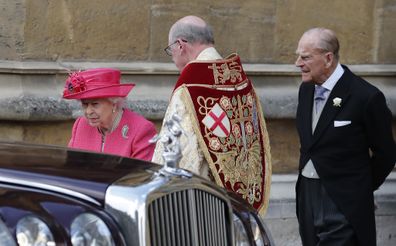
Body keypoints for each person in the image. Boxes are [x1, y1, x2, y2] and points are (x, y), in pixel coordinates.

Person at [152, 15, 272, 216]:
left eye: (170, 50)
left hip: (206, 205)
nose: (172, 58)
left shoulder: (190, 86)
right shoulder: (241, 80)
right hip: (242, 201)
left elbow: (178, 151)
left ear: (180, 45)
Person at [295, 27, 396, 245]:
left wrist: (358, 189)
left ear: (328, 58)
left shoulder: (365, 96)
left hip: (343, 203)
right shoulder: (306, 90)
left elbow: (386, 153)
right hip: (308, 196)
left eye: (305, 57)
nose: (298, 63)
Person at [63, 68, 157, 161]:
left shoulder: (141, 130)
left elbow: (140, 174)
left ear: (114, 103)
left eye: (95, 104)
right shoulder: (80, 125)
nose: (88, 111)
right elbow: (71, 165)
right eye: (85, 104)